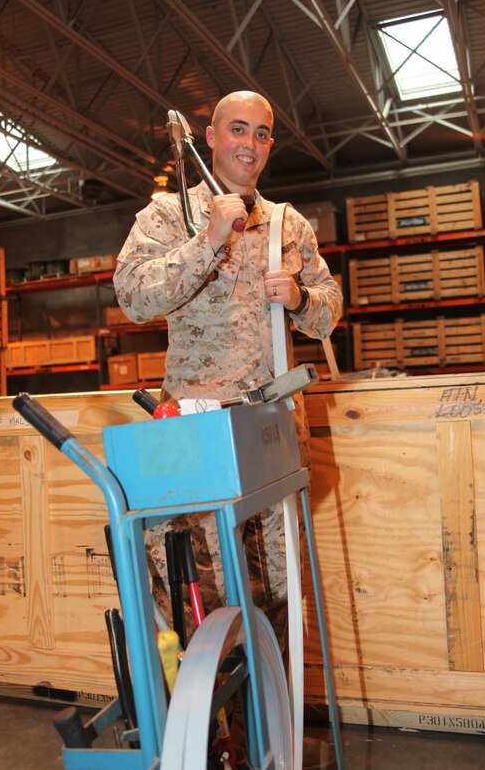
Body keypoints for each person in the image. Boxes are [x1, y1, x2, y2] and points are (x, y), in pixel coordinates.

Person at [113, 90, 342, 642]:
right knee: (201, 591)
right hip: (198, 429)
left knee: (278, 591)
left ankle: (273, 718)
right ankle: (212, 724)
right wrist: (208, 241)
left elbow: (328, 310)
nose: (250, 144)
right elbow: (132, 297)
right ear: (212, 138)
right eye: (238, 130)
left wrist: (301, 301)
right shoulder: (170, 215)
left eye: (261, 134)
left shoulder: (290, 227)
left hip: (272, 431)